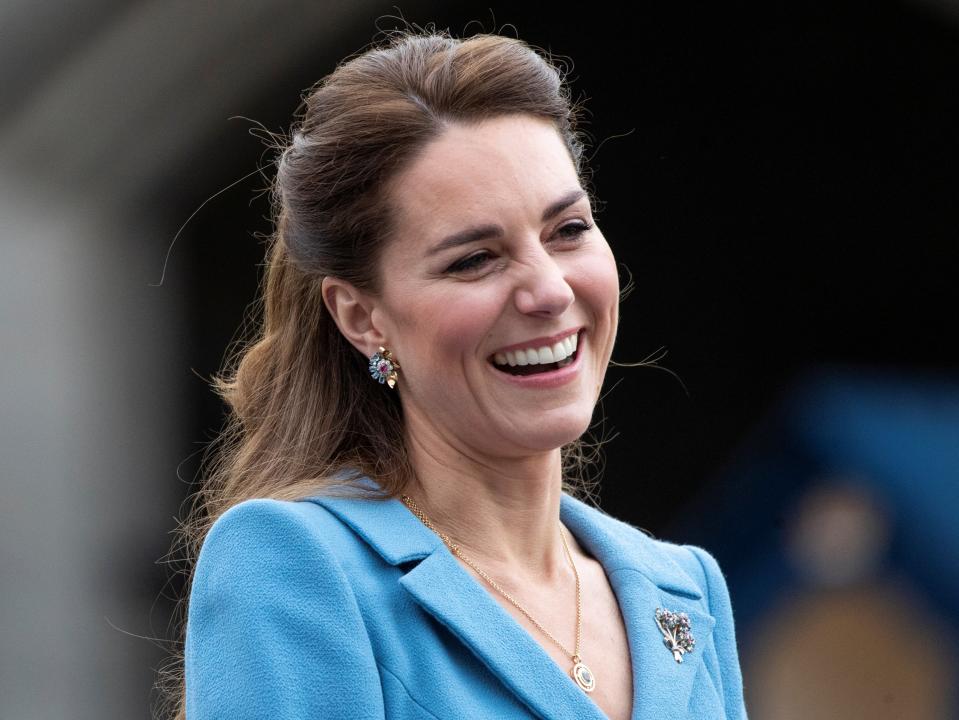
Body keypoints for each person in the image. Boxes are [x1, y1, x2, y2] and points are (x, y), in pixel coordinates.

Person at [170, 28, 748, 720]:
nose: (549, 291)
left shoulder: (683, 589)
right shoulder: (297, 564)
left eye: (567, 230)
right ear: (361, 318)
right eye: (473, 259)